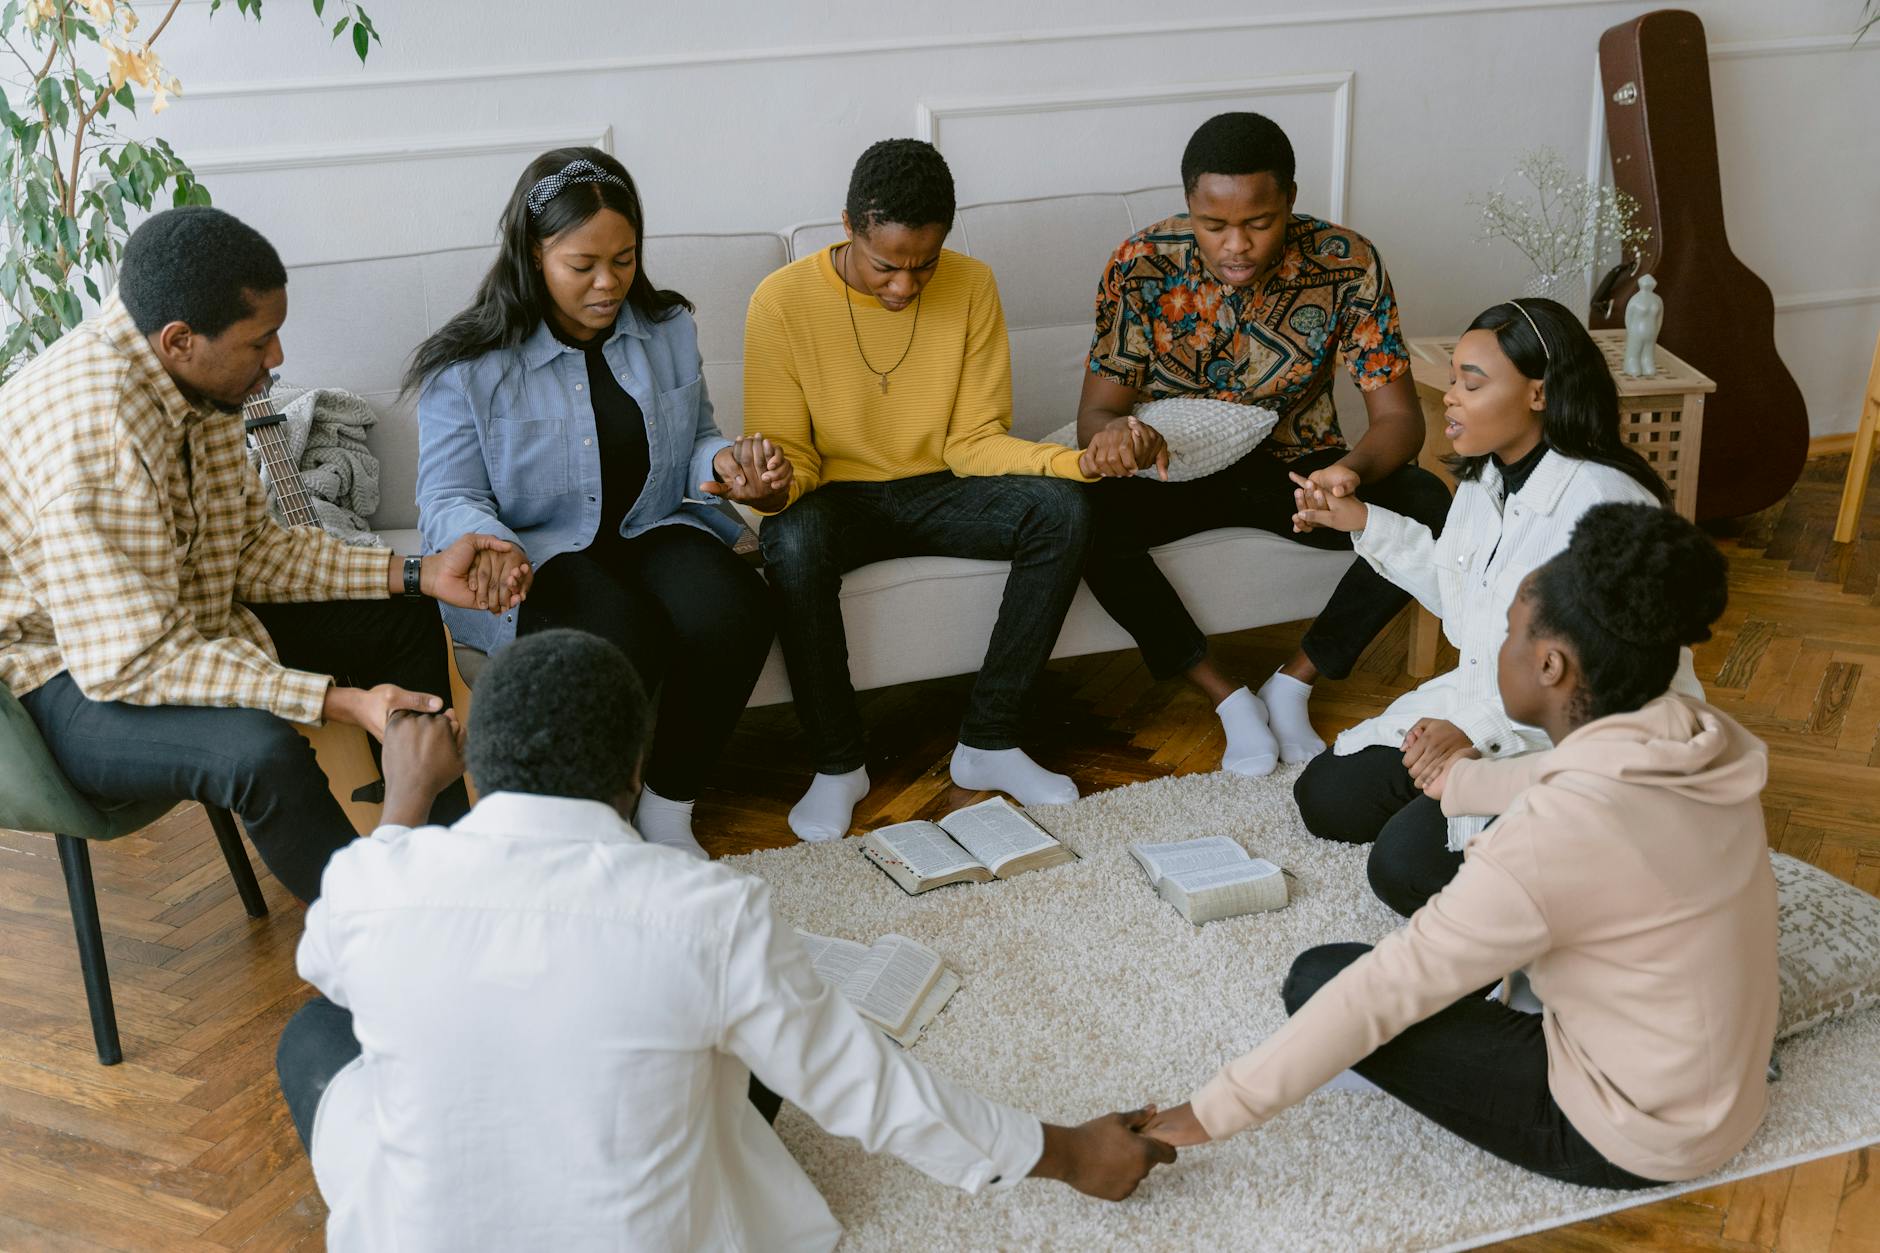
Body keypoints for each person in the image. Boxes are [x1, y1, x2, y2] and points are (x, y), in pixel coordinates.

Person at [275, 629, 1175, 1250]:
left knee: (317, 1033)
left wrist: (404, 800)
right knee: (750, 1049)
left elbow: (328, 955)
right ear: (634, 770)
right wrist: (1071, 1151)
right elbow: (870, 1089)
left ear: (470, 757)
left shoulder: (377, 881)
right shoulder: (705, 910)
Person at [1144, 503, 1777, 1192]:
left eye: (1505, 635)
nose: (1492, 652)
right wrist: (1462, 782)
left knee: (1322, 979)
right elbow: (1583, 774)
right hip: (1727, 1096)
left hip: (1628, 1133)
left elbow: (1391, 985)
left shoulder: (1548, 836)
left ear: (1550, 664)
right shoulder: (1696, 733)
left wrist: (1197, 1116)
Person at [0, 207, 520, 903]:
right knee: (260, 754)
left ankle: (447, 877)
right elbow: (135, 658)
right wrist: (343, 701)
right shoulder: (96, 446)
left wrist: (418, 572)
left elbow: (246, 552)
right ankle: (372, 941)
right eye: (260, 341)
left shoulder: (196, 383)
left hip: (164, 622)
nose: (276, 359)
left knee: (400, 615)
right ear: (181, 340)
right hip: (59, 677)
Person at [411, 147, 780, 859]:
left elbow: (697, 435)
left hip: (650, 523)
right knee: (615, 632)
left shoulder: (668, 327)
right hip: (541, 546)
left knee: (738, 607)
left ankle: (670, 808)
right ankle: (599, 824)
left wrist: (727, 463)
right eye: (583, 266)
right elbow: (450, 495)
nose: (609, 283)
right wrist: (488, 540)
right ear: (532, 252)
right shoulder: (468, 365)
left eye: (626, 259)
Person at [1288, 298, 1699, 917]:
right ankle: (1451, 800)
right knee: (1327, 796)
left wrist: (1474, 733)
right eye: (1453, 379)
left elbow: (1604, 681)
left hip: (1592, 740)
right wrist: (1359, 519)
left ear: (1539, 393)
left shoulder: (1609, 505)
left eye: (1470, 383)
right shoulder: (1486, 482)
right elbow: (1459, 592)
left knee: (1403, 867)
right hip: (1491, 699)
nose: (1450, 397)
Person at [1074, 112, 1452, 778]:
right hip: (1180, 466)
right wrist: (1119, 440)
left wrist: (1349, 472)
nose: (1236, 246)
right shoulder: (1141, 263)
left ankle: (1295, 683)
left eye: (1259, 222)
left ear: (1291, 203)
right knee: (1078, 514)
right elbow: (1097, 413)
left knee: (1423, 498)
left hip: (1299, 474)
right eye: (1214, 225)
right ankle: (1227, 699)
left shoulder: (1348, 264)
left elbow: (1400, 418)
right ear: (1189, 204)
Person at [746, 139, 1100, 842]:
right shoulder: (781, 302)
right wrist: (771, 489)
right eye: (886, 265)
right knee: (792, 538)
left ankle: (990, 740)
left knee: (1062, 509)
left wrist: (1075, 464)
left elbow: (974, 441)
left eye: (924, 264)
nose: (905, 286)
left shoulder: (973, 285)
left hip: (944, 484)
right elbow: (792, 458)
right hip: (836, 496)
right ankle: (839, 764)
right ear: (848, 225)